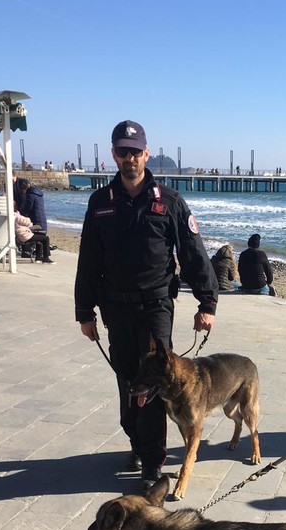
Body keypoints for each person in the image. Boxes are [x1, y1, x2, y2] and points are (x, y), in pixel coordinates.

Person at [75, 120, 218, 490]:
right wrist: (84, 312)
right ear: (113, 155)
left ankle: (154, 462)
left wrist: (208, 302)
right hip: (116, 310)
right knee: (128, 383)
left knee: (155, 383)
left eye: (135, 151)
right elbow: (88, 260)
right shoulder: (100, 203)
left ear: (146, 153)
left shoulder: (168, 201)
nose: (129, 158)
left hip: (156, 307)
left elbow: (193, 253)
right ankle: (137, 443)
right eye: (122, 151)